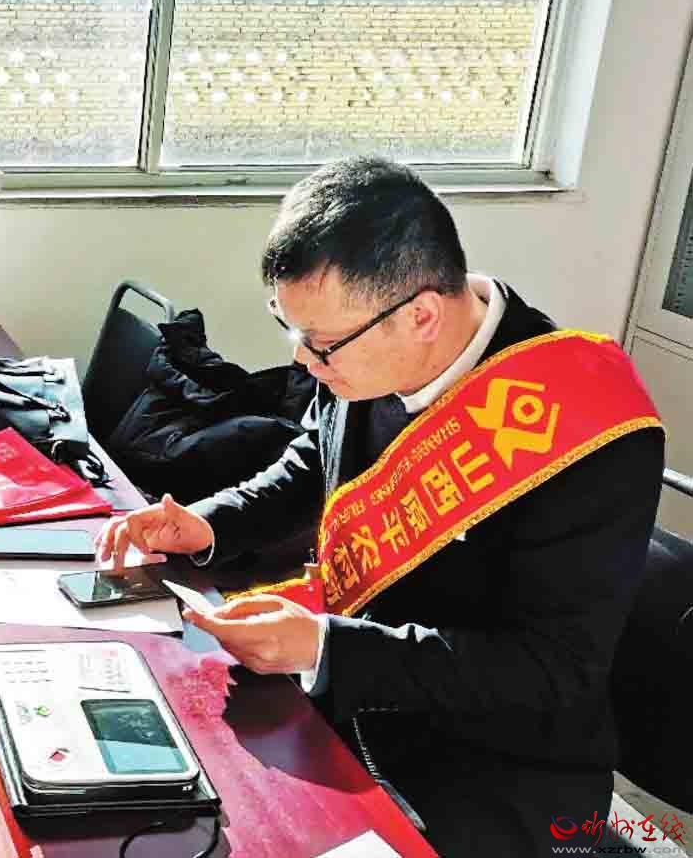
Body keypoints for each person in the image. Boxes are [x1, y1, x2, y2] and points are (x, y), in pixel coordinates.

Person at [98, 157, 663, 857]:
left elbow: (550, 670)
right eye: (291, 330)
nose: (302, 362)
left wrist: (326, 647)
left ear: (422, 315)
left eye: (319, 344)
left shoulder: (582, 422)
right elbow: (314, 461)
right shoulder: (360, 345)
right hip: (352, 699)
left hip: (491, 772)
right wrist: (207, 522)